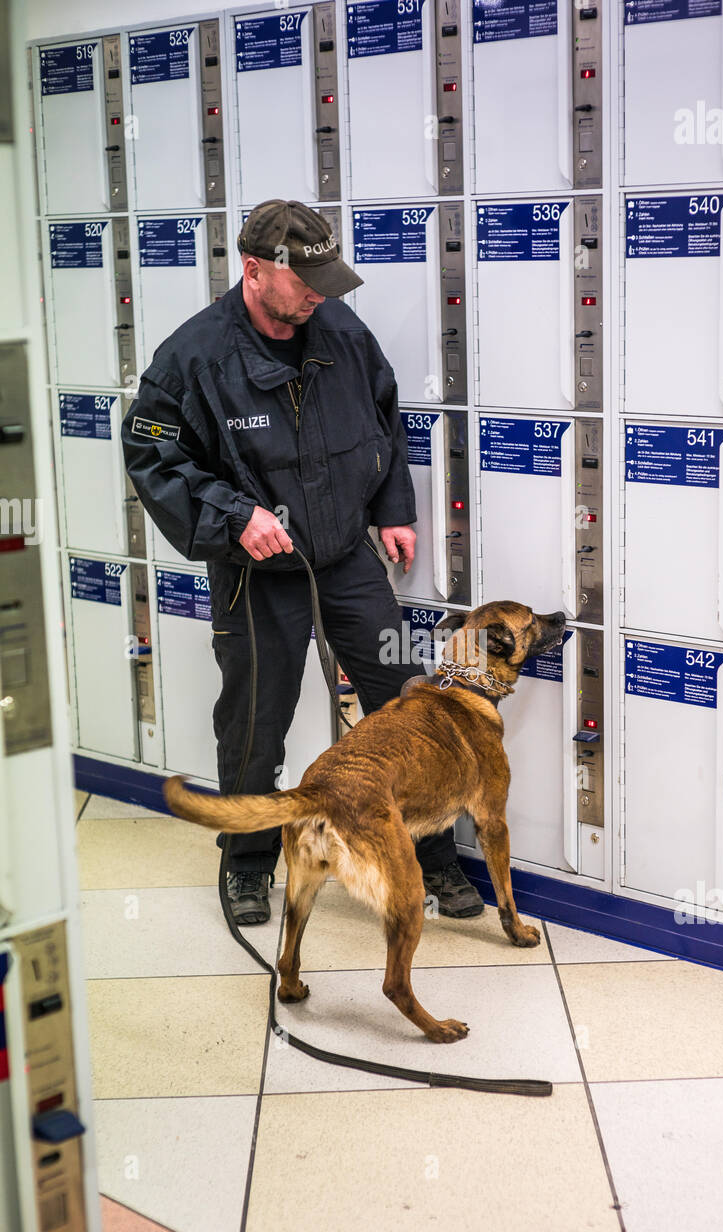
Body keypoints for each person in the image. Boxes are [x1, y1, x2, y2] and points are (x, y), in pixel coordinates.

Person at [121, 199, 483, 926]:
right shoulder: (192, 358)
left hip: (346, 555)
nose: (321, 293)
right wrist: (231, 515)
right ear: (255, 272)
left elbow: (384, 418)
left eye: (326, 275)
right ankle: (248, 866)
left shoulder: (340, 332)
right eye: (306, 279)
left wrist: (392, 507)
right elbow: (151, 456)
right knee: (256, 725)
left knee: (410, 707)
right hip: (257, 571)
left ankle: (433, 859)